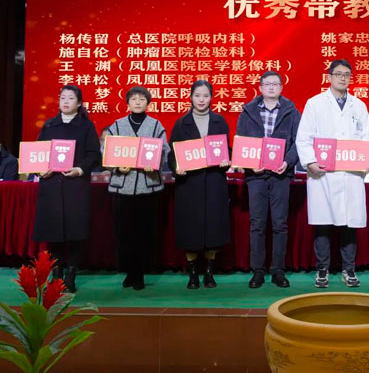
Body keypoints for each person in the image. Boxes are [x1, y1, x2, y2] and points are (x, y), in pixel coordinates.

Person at [296, 59, 369, 288]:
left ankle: (349, 269)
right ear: (329, 77)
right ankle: (322, 269)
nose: (342, 78)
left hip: (350, 174)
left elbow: (366, 138)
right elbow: (304, 137)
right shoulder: (315, 104)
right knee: (323, 223)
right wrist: (310, 162)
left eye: (346, 74)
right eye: (338, 74)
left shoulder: (359, 106)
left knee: (349, 223)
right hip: (323, 174)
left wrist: (366, 161)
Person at [32, 85, 100, 292]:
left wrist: (79, 169)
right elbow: (38, 152)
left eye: (71, 98)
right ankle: (56, 275)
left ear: (79, 103)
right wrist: (40, 170)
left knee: (75, 232)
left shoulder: (86, 126)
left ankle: (71, 275)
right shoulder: (49, 125)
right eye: (63, 98)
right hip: (51, 186)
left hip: (75, 186)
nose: (66, 101)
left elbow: (93, 154)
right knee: (53, 233)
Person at [236, 71, 300, 289]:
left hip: (281, 174)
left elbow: (299, 141)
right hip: (256, 175)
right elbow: (241, 141)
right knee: (257, 223)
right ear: (260, 87)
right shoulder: (248, 111)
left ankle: (278, 270)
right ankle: (258, 271)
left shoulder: (292, 111)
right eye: (267, 84)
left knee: (280, 224)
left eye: (275, 84)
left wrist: (288, 162)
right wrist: (249, 164)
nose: (271, 87)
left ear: (281, 87)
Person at [105, 86, 169, 291]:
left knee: (144, 232)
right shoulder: (117, 125)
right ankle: (129, 271)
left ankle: (140, 272)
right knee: (124, 232)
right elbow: (106, 151)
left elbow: (165, 150)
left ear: (148, 103)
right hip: (122, 187)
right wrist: (117, 166)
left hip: (147, 187)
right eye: (134, 99)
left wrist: (156, 162)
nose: (138, 102)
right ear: (127, 103)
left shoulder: (156, 125)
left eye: (142, 99)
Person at [168, 80, 231, 289]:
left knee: (213, 227)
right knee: (190, 228)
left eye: (205, 95)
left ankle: (209, 273)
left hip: (214, 182)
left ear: (211, 97)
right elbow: (172, 154)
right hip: (189, 184)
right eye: (197, 96)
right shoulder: (181, 123)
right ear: (191, 97)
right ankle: (193, 273)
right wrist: (176, 167)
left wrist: (226, 159)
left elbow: (227, 149)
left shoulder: (220, 121)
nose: (201, 100)